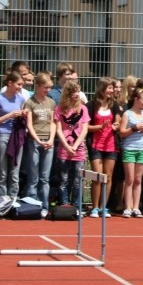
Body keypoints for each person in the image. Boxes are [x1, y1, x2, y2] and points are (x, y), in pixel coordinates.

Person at [0, 71, 27, 198]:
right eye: (18, 84)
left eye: (22, 84)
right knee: (3, 172)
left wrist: (23, 114)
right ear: (10, 83)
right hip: (2, 135)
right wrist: (9, 115)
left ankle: (13, 200)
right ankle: (1, 201)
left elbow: (22, 115)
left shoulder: (21, 98)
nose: (20, 87)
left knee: (14, 171)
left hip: (17, 136)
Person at [24, 72, 56, 217]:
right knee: (33, 176)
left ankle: (44, 205)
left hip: (48, 143)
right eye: (45, 87)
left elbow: (53, 123)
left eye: (49, 88)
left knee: (45, 177)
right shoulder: (30, 102)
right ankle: (32, 205)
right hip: (34, 141)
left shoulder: (51, 102)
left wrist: (50, 140)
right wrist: (37, 140)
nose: (47, 90)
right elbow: (29, 124)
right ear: (38, 86)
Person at [87, 77, 120, 218]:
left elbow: (117, 119)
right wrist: (100, 127)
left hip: (111, 144)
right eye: (109, 88)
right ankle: (94, 207)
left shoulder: (115, 105)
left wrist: (115, 125)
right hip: (95, 144)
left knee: (108, 177)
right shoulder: (91, 105)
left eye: (112, 88)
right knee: (97, 176)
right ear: (102, 88)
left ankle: (103, 207)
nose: (111, 91)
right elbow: (86, 126)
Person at [55, 81, 90, 209]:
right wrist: (67, 146)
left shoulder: (83, 108)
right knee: (64, 180)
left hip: (79, 151)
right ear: (69, 93)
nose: (78, 94)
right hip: (64, 150)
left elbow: (84, 129)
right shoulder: (59, 109)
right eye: (75, 91)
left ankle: (76, 206)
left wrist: (75, 146)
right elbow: (59, 129)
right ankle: (64, 205)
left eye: (78, 91)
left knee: (77, 180)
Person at [119, 87, 143, 217]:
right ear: (136, 99)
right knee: (130, 179)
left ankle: (136, 207)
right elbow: (121, 133)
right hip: (129, 148)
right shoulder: (127, 114)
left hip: (142, 148)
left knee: (138, 179)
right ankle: (127, 207)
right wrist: (134, 128)